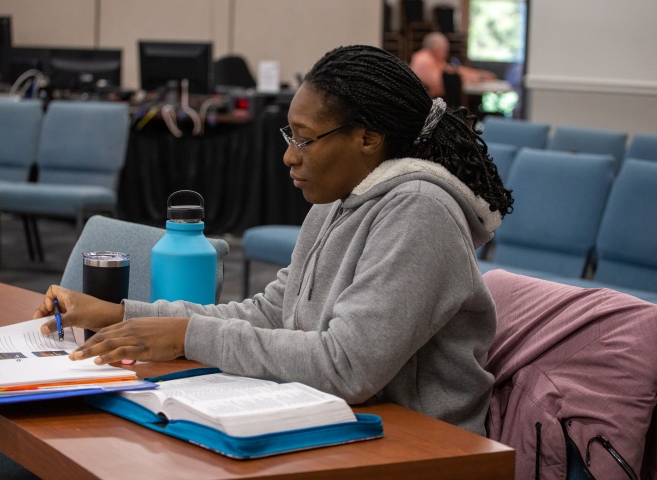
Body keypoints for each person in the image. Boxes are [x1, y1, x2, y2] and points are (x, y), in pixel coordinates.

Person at [35, 45, 514, 436]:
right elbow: (270, 314)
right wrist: (122, 315)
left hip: (420, 444)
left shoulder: (420, 211)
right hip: (343, 418)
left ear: (368, 139)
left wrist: (187, 336)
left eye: (304, 139)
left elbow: (346, 366)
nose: (288, 156)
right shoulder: (338, 200)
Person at [410, 31, 497, 98]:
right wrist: (471, 78)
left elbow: (453, 70)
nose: (446, 54)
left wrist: (479, 75)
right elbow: (444, 82)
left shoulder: (435, 59)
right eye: (444, 50)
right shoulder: (423, 60)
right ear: (435, 48)